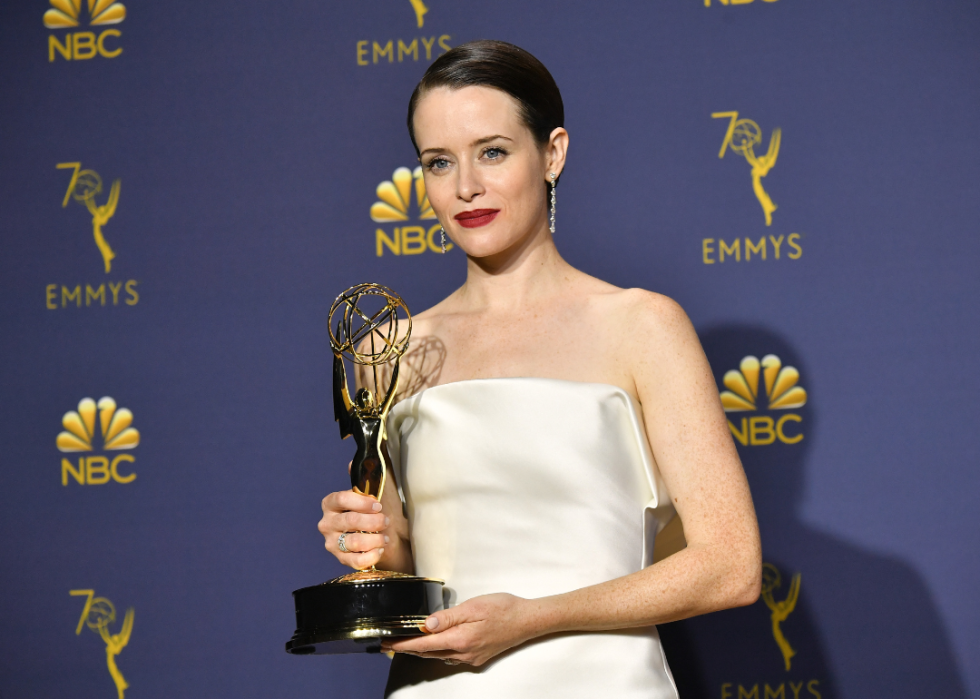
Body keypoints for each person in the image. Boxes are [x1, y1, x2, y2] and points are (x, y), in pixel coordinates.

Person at [318, 39, 761, 698]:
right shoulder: (388, 348)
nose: (466, 186)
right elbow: (399, 580)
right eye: (439, 162)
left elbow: (731, 567)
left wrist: (531, 618)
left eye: (492, 151)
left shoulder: (643, 325)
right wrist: (364, 546)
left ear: (552, 153)